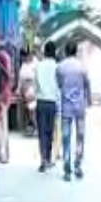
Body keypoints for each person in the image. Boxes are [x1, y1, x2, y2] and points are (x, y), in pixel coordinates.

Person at [55, 41, 90, 182]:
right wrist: (89, 100)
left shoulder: (60, 67)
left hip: (66, 107)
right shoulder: (82, 67)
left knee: (66, 137)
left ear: (65, 51)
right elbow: (87, 85)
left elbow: (58, 84)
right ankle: (78, 165)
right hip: (80, 106)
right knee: (80, 136)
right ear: (76, 51)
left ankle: (67, 168)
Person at [34, 42, 60, 172]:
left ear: (45, 51)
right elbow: (59, 86)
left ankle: (43, 159)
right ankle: (48, 159)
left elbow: (35, 85)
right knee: (50, 132)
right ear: (54, 52)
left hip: (40, 102)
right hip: (52, 102)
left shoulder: (38, 66)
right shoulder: (57, 67)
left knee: (41, 133)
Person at [17, 48, 38, 135]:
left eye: (24, 57)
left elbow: (37, 77)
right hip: (25, 90)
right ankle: (30, 127)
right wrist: (19, 89)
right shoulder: (23, 65)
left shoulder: (35, 63)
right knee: (28, 110)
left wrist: (34, 89)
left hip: (33, 88)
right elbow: (20, 79)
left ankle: (35, 127)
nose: (23, 59)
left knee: (32, 109)